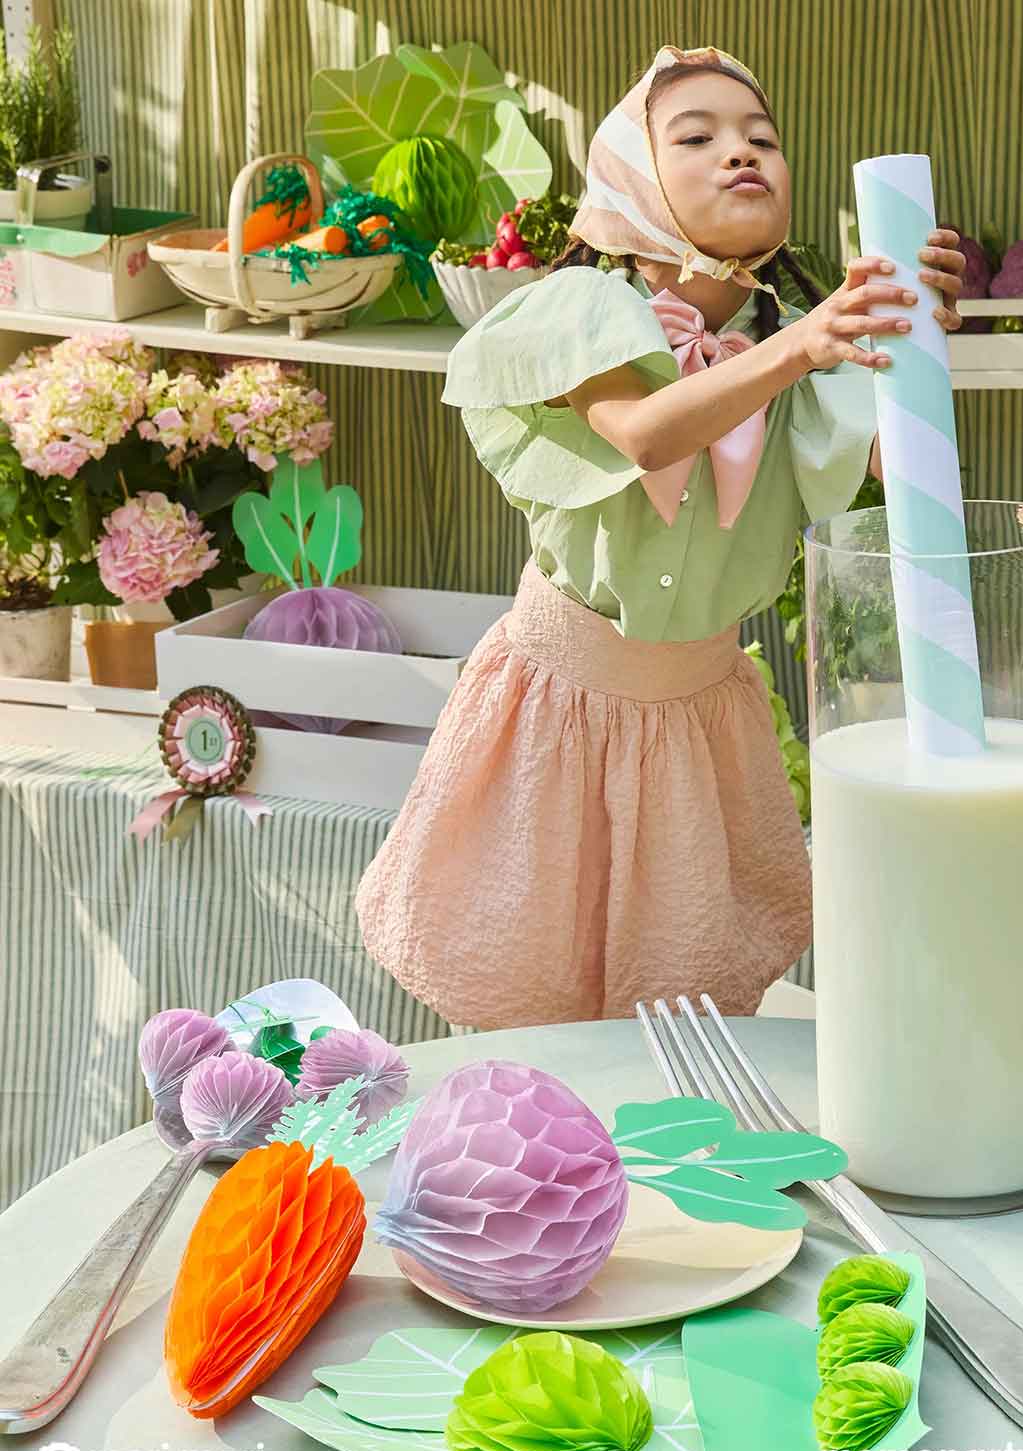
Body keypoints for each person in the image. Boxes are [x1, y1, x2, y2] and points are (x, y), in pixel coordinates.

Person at [356, 43, 965, 1029]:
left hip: (697, 715)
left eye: (761, 136)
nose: (741, 151)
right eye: (698, 136)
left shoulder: (801, 337)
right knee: (532, 990)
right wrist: (804, 347)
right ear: (630, 183)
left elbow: (901, 472)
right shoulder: (583, 308)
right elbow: (646, 432)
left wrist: (916, 340)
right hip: (560, 710)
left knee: (684, 1001)